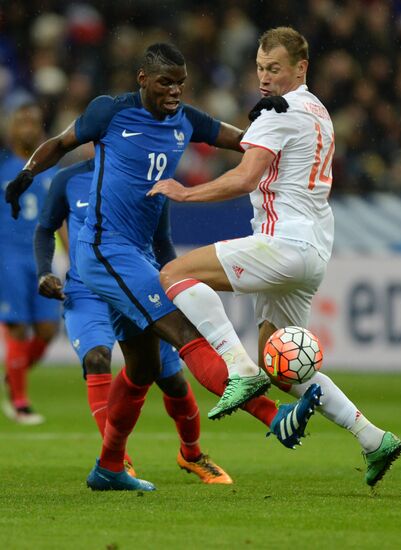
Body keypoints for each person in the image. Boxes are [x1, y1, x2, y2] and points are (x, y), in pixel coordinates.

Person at [5, 42, 322, 492]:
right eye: (165, 83)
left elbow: (245, 143)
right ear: (142, 80)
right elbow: (59, 144)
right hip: (103, 251)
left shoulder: (186, 120)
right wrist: (24, 178)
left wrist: (270, 113)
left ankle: (110, 466)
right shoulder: (109, 113)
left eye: (181, 83)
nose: (174, 91)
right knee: (187, 333)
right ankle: (276, 417)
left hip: (136, 254)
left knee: (141, 368)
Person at [148, 27, 401, 488]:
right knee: (279, 362)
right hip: (312, 251)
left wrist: (185, 194)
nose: (265, 78)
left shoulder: (280, 112)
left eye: (275, 69)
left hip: (282, 243)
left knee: (174, 273)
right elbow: (281, 151)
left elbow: (245, 178)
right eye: (261, 68)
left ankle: (237, 369)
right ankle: (373, 438)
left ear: (300, 68)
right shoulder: (315, 109)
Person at [34, 158, 233, 484]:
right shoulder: (67, 180)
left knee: (172, 380)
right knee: (97, 358)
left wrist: (177, 287)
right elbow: (45, 229)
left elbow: (162, 241)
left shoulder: (146, 179)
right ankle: (116, 460)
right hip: (86, 291)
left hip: (137, 286)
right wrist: (45, 271)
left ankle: (192, 454)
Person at [0, 101, 60, 425]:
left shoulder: (51, 170)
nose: (26, 127)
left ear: (41, 130)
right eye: (20, 121)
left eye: (32, 121)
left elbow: (62, 215)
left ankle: (14, 373)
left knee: (49, 330)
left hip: (42, 257)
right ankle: (20, 402)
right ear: (11, 129)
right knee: (17, 327)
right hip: (6, 256)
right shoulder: (2, 166)